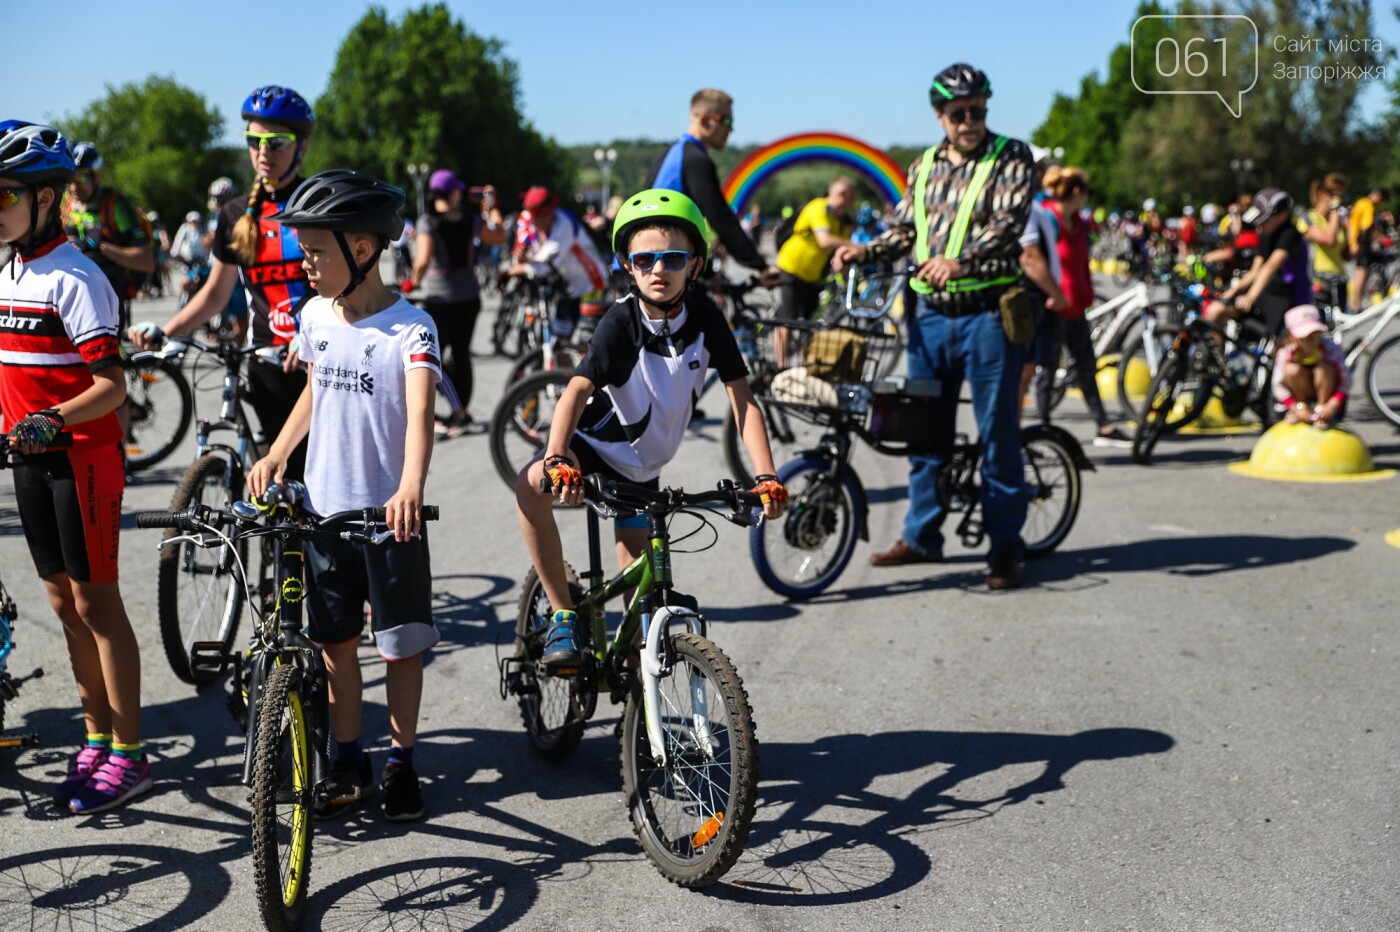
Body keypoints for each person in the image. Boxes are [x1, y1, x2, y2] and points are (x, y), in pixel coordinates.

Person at [516, 189, 787, 668]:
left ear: (695, 266)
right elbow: (575, 392)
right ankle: (562, 614)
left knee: (642, 614)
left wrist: (764, 475)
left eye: (673, 258)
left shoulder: (706, 318)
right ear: (628, 265)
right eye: (645, 259)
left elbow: (742, 404)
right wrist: (556, 455)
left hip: (644, 469)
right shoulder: (620, 321)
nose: (658, 269)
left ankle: (642, 704)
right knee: (532, 484)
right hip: (593, 448)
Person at [248, 170, 438, 821]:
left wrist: (411, 482)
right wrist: (277, 451)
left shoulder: (411, 329)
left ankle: (402, 761)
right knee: (336, 647)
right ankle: (350, 757)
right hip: (325, 512)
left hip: (389, 519)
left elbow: (421, 414)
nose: (307, 264)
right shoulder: (313, 316)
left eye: (317, 251)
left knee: (400, 647)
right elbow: (316, 389)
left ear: (362, 248)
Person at [832, 62, 1034, 590]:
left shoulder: (1009, 155)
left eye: (979, 111)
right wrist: (864, 251)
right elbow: (903, 227)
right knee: (924, 434)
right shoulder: (923, 165)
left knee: (997, 436)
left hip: (987, 314)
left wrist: (960, 261)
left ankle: (1005, 550)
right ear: (940, 116)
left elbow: (1007, 225)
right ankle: (922, 536)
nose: (971, 121)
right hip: (928, 320)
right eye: (960, 113)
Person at [0, 122, 150, 813]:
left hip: (81, 460)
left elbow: (113, 387)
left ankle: (129, 753)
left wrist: (56, 417)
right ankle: (94, 736)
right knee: (62, 604)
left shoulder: (77, 275)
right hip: (27, 460)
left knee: (97, 605)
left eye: (4, 196)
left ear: (48, 198)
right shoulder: (9, 268)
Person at [129, 85, 316, 476]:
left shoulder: (318, 203)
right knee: (273, 484)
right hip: (264, 363)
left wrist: (316, 331)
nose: (264, 152)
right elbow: (216, 293)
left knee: (313, 485)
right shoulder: (235, 214)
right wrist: (166, 329)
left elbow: (342, 289)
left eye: (276, 142)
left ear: (302, 146)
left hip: (318, 364)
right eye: (254, 140)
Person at [1030, 167, 1132, 445]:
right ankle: (1044, 429)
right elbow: (1034, 260)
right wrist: (1050, 293)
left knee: (1087, 365)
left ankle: (1104, 426)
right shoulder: (1048, 218)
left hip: (1075, 307)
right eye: (1087, 192)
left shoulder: (1079, 222)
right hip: (1053, 306)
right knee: (1047, 370)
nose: (1088, 197)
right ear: (1076, 192)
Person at [407, 168, 506, 437]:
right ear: (452, 193)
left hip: (440, 298)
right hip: (470, 297)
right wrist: (493, 208)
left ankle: (458, 412)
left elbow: (424, 259)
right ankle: (460, 408)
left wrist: (413, 280)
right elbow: (499, 236)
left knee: (434, 357)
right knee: (462, 353)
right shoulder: (471, 220)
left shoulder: (429, 222)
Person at [645, 89, 778, 281]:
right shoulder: (695, 161)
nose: (731, 129)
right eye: (726, 121)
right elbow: (722, 219)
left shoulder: (670, 154)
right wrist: (760, 266)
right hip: (660, 270)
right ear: (705, 120)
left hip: (647, 265)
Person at [62, 142, 154, 330]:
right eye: (69, 179)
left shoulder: (115, 205)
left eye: (82, 178)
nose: (73, 186)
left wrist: (100, 247)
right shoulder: (66, 204)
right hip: (69, 296)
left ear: (97, 176)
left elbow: (146, 261)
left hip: (107, 297)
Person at [771, 176, 858, 366]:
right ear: (842, 194)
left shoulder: (842, 220)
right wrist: (857, 246)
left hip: (814, 276)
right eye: (852, 197)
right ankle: (780, 366)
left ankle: (805, 368)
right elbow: (825, 240)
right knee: (787, 320)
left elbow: (840, 251)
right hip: (792, 267)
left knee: (810, 324)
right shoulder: (818, 207)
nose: (852, 203)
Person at [501, 186, 607, 339]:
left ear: (548, 212)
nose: (535, 223)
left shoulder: (564, 224)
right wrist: (522, 257)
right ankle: (561, 362)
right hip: (568, 286)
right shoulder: (533, 221)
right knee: (559, 338)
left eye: (537, 218)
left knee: (586, 337)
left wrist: (511, 271)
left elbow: (545, 265)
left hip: (590, 284)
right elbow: (532, 255)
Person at [1212, 187, 1310, 340]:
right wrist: (1232, 292)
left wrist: (1250, 297)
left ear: (1283, 215)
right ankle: (1216, 362)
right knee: (1215, 311)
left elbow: (1270, 267)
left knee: (1280, 345)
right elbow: (1255, 270)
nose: (1260, 226)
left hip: (1287, 296)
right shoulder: (1265, 233)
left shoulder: (1289, 234)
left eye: (1265, 220)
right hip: (1265, 291)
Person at [1272, 304, 1350, 429]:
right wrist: (1296, 407)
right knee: (1292, 370)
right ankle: (1302, 408)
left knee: (1324, 369)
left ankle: (1321, 410)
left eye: (1316, 333)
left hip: (1327, 397)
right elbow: (1277, 385)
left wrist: (1331, 405)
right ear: (1291, 336)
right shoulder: (1285, 353)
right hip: (1299, 399)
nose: (1311, 339)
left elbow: (1346, 382)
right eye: (1305, 337)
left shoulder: (1332, 349)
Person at [1303, 177, 1349, 318]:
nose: (1340, 199)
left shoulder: (1336, 220)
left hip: (1339, 279)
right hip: (1319, 280)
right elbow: (1328, 240)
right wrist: (1335, 212)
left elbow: (1348, 254)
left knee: (1340, 328)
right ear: (1323, 194)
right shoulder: (1309, 217)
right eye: (1336, 195)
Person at [1348, 186, 1389, 312]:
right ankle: (1355, 305)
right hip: (1361, 243)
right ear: (1379, 197)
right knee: (1361, 272)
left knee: (1359, 272)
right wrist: (1381, 238)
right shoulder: (1368, 205)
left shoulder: (1360, 202)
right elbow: (1366, 227)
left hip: (1355, 241)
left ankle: (1355, 303)